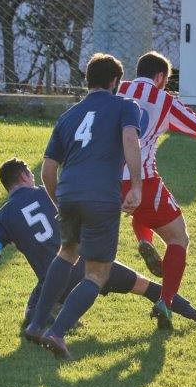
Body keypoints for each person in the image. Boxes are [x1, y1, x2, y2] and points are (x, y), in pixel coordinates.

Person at [0, 158, 196, 334]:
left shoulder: (2, 218)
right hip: (93, 263)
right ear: (23, 176)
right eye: (31, 174)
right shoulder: (48, 192)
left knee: (33, 313)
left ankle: (57, 312)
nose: (34, 178)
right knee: (145, 286)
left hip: (54, 280)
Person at [23, 52, 145, 359]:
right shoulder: (126, 106)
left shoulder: (68, 116)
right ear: (115, 82)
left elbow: (47, 170)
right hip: (101, 197)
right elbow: (130, 139)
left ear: (88, 80)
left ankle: (36, 324)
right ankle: (57, 332)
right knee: (97, 273)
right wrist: (136, 185)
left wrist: (59, 202)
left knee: (67, 252)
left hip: (68, 193)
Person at [116, 51, 196, 329]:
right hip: (141, 180)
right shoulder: (164, 100)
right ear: (160, 77)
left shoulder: (118, 88)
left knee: (136, 215)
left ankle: (144, 239)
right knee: (178, 238)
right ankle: (165, 302)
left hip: (102, 179)